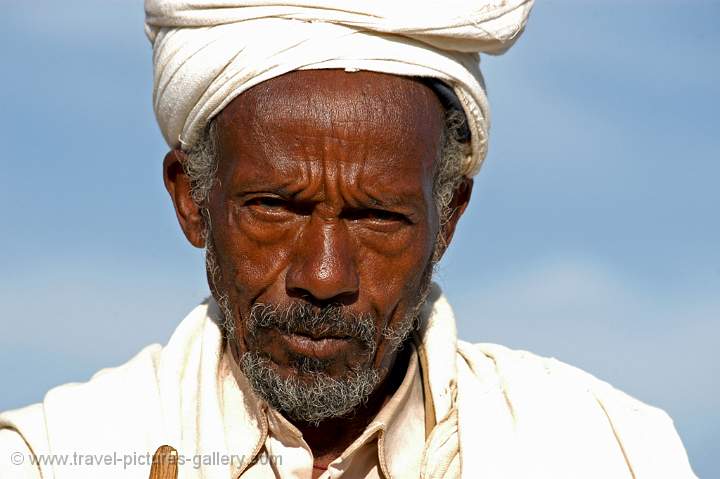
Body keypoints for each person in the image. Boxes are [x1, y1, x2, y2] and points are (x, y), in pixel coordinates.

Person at [0, 1, 697, 478]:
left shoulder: (605, 452)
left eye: (377, 218)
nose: (325, 275)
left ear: (449, 215)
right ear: (191, 199)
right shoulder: (52, 455)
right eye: (275, 207)